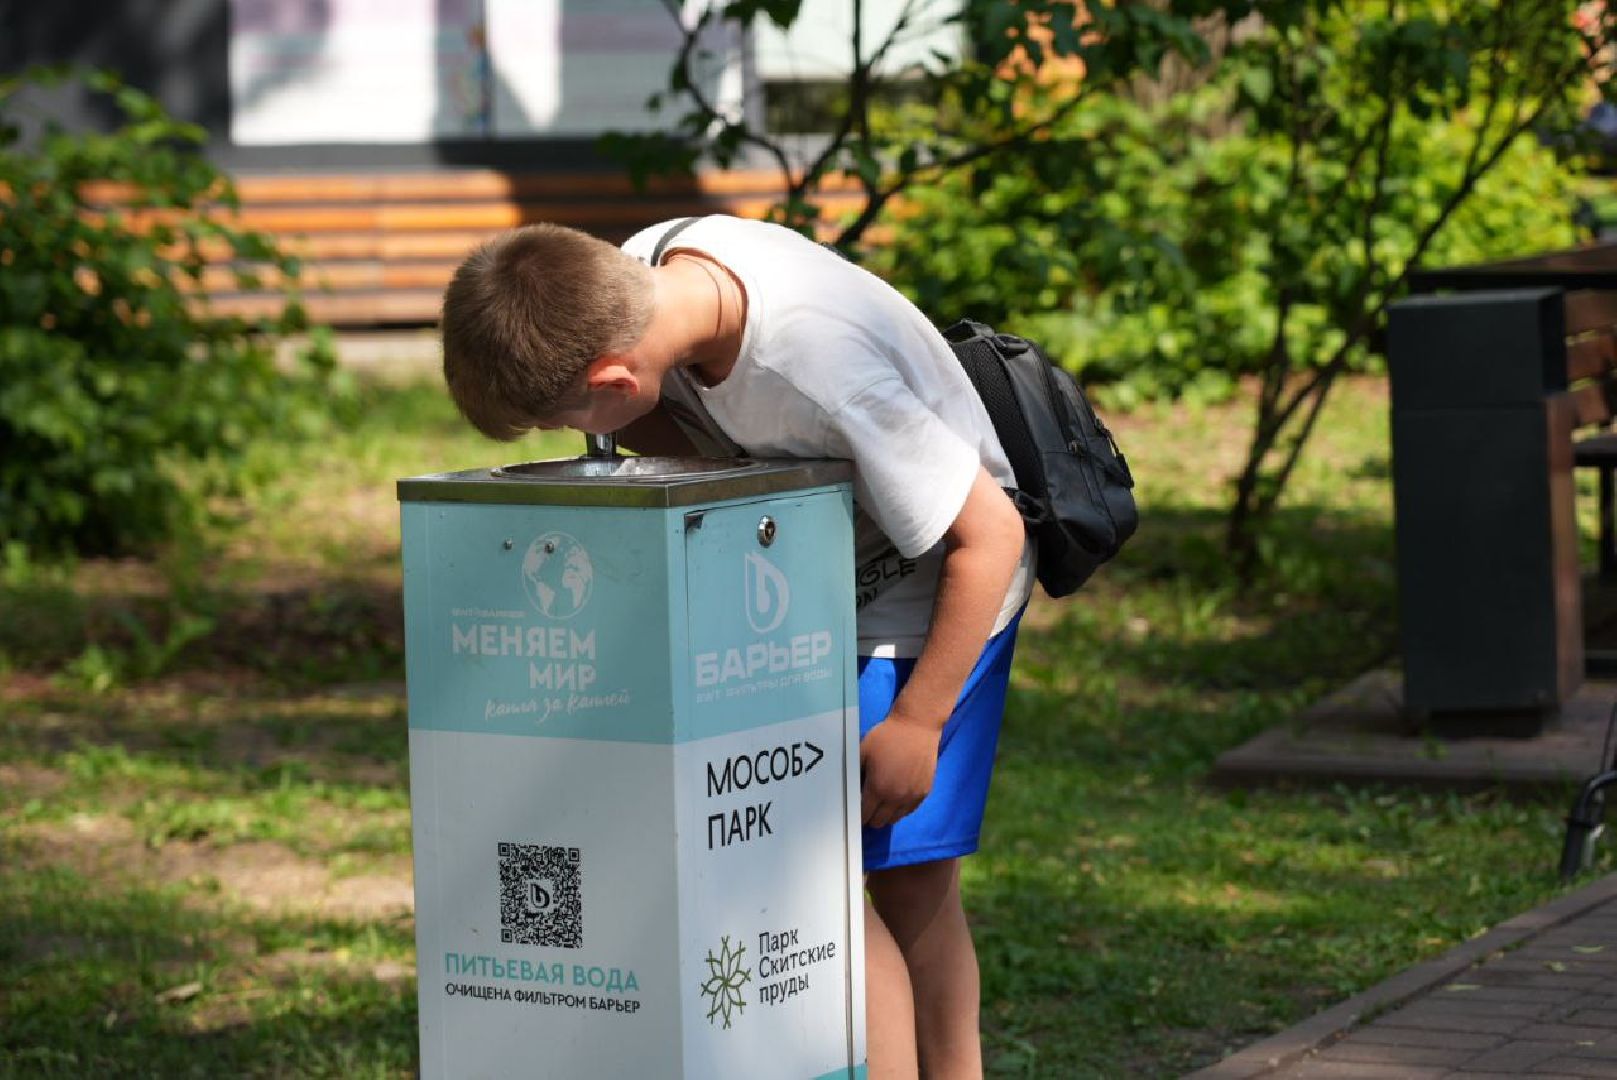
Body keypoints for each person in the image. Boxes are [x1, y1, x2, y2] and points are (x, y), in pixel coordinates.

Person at [439, 215, 1034, 1079]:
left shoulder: (818, 370)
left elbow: (992, 536)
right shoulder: (642, 277)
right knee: (856, 878)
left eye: (567, 423)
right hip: (815, 574)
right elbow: (666, 433)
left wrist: (918, 721)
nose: (586, 443)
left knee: (845, 884)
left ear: (611, 377)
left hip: (931, 593)